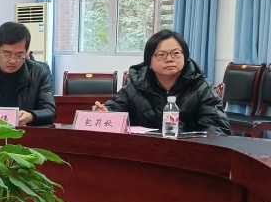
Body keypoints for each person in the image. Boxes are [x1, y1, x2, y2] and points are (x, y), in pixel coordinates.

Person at [92, 30, 230, 135]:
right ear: (149, 63)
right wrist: (104, 112)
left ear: (185, 57)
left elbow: (217, 129)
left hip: (187, 153)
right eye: (161, 55)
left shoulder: (201, 87)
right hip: (143, 151)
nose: (169, 59)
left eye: (176, 53)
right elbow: (115, 109)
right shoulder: (136, 86)